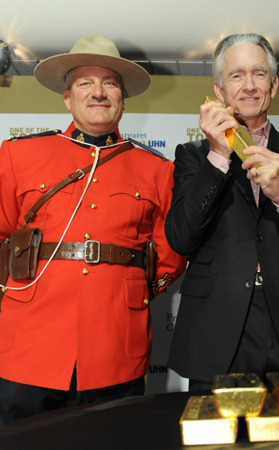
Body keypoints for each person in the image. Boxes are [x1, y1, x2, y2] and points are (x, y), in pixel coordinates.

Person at [0, 34, 186, 424]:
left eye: (110, 83)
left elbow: (169, 254)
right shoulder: (17, 154)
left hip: (116, 345)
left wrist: (124, 290)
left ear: (122, 97)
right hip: (28, 346)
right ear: (67, 97)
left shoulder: (158, 169)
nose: (98, 92)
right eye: (85, 83)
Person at [165, 33, 279, 390]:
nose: (248, 85)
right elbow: (181, 237)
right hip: (217, 327)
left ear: (274, 85)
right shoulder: (192, 155)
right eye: (236, 75)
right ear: (219, 90)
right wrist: (217, 155)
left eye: (259, 74)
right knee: (217, 443)